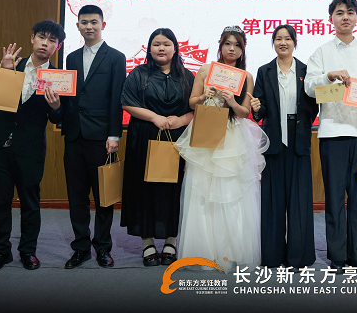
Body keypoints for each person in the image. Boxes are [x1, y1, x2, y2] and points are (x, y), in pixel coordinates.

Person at [175, 26, 268, 271]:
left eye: (237, 45)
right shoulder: (206, 70)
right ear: (220, 46)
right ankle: (206, 251)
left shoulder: (246, 76)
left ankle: (231, 251)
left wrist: (231, 101)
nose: (232, 49)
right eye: (227, 43)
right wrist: (203, 95)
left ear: (242, 50)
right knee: (204, 192)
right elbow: (192, 103)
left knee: (232, 192)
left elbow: (244, 112)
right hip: (207, 132)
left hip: (233, 136)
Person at [304, 0, 357, 274]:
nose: (345, 17)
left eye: (350, 12)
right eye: (339, 13)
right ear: (331, 19)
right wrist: (329, 76)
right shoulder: (322, 52)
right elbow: (309, 87)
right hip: (332, 134)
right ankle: (337, 256)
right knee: (335, 198)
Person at [0, 20, 66, 272]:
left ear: (57, 47)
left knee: (30, 204)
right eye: (41, 37)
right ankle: (1, 252)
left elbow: (60, 118)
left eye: (52, 40)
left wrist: (56, 107)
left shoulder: (58, 78)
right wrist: (3, 71)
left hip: (30, 149)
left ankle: (28, 251)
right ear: (32, 38)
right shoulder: (13, 64)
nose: (45, 43)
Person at [120, 29, 194, 266]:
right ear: (149, 48)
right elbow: (127, 102)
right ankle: (147, 242)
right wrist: (154, 117)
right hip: (144, 137)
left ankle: (171, 240)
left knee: (174, 189)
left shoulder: (188, 76)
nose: (161, 48)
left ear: (175, 48)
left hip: (178, 140)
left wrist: (181, 120)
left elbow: (198, 107)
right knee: (145, 189)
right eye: (156, 44)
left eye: (166, 44)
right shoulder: (138, 73)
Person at [61, 4, 126, 269]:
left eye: (94, 22)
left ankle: (102, 247)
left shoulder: (116, 57)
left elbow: (116, 98)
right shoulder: (72, 57)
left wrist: (114, 135)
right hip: (74, 136)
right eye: (84, 22)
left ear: (102, 25)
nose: (89, 26)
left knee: (103, 197)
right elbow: (70, 96)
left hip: (102, 138)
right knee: (76, 196)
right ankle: (80, 248)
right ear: (77, 26)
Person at [249, 25, 319, 269]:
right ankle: (273, 256)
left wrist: (303, 121)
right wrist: (257, 108)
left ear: (294, 42)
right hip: (274, 141)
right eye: (278, 39)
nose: (283, 42)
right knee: (273, 201)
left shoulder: (306, 71)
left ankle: (299, 257)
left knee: (300, 201)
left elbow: (314, 104)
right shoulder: (264, 71)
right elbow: (259, 108)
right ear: (273, 43)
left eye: (287, 38)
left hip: (299, 139)